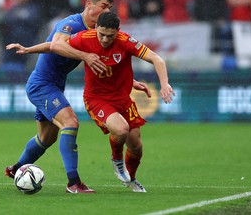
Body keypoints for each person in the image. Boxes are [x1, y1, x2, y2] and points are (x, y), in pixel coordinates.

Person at [5, 0, 151, 193]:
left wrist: (130, 80)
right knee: (71, 122)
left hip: (55, 85)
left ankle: (16, 169)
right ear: (89, 4)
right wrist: (84, 56)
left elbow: (102, 60)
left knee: (47, 138)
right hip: (42, 84)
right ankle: (74, 183)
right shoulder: (71, 23)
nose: (107, 11)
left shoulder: (96, 32)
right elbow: (56, 44)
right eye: (103, 6)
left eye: (110, 8)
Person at [60, 11, 175, 192]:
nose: (105, 39)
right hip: (97, 99)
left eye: (110, 36)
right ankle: (117, 160)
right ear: (96, 28)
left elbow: (156, 59)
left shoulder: (125, 41)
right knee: (121, 129)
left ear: (118, 31)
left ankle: (131, 179)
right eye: (102, 35)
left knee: (136, 146)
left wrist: (164, 84)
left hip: (123, 100)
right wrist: (29, 49)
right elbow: (56, 46)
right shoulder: (84, 38)